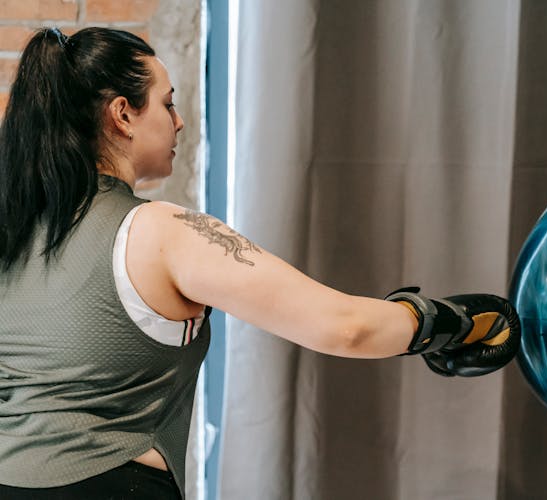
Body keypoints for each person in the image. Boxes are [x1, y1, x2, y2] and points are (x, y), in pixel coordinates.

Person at [0, 27, 520, 499]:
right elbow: (345, 328)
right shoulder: (160, 232)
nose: (180, 123)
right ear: (122, 115)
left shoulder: (13, 235)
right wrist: (452, 323)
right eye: (168, 103)